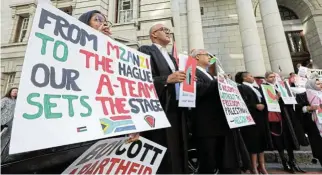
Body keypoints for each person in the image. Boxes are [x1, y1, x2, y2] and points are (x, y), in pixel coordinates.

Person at [78, 11, 139, 143]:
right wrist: (95, 36)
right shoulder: (76, 47)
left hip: (110, 119)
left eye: (105, 21)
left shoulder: (111, 52)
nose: (103, 24)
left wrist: (130, 126)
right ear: (85, 23)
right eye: (98, 20)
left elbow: (121, 91)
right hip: (85, 119)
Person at [138, 24, 188, 174]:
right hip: (161, 110)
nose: (168, 33)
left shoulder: (172, 58)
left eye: (169, 30)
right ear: (154, 34)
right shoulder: (146, 50)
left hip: (177, 110)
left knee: (177, 149)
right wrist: (167, 79)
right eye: (164, 30)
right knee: (164, 151)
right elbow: (142, 79)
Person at [191, 49, 250, 174]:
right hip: (206, 126)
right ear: (197, 57)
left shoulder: (210, 75)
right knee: (208, 163)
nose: (210, 57)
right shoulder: (191, 72)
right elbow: (197, 90)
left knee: (223, 161)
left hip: (220, 124)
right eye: (207, 54)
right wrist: (218, 82)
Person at [264, 72, 305, 173]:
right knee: (279, 139)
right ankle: (284, 162)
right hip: (276, 117)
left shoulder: (281, 85)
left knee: (290, 138)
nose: (273, 78)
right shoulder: (264, 88)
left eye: (274, 76)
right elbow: (267, 101)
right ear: (266, 78)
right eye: (270, 77)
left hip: (287, 115)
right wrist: (276, 98)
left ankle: (292, 161)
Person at [235, 72, 273, 174]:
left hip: (260, 118)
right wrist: (254, 106)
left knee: (261, 142)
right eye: (250, 76)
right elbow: (242, 102)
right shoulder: (241, 88)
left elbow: (263, 100)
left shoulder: (256, 88)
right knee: (253, 143)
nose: (253, 77)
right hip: (251, 119)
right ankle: (253, 167)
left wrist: (265, 104)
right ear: (244, 78)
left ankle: (262, 165)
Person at [295, 79, 322, 167]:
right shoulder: (303, 95)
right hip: (313, 124)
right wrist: (309, 108)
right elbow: (299, 109)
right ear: (311, 85)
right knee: (318, 145)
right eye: (317, 83)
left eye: (320, 83)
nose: (320, 85)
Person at [1, 87, 18, 158]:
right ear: (10, 91)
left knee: (5, 137)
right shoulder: (5, 99)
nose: (15, 92)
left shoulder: (16, 101)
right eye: (13, 91)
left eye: (16, 92)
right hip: (1, 120)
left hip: (10, 121)